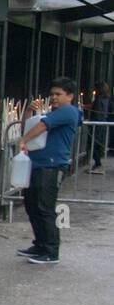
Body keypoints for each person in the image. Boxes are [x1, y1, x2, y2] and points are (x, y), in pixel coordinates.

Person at [18, 77, 82, 264]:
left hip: (52, 165)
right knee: (32, 205)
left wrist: (23, 140)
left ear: (69, 96)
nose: (53, 97)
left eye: (58, 94)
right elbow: (27, 126)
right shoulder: (53, 113)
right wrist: (30, 110)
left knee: (44, 207)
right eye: (52, 94)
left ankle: (51, 250)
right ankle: (40, 244)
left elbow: (41, 126)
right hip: (38, 163)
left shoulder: (68, 112)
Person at [86, 80, 110, 174]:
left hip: (96, 125)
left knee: (93, 144)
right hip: (102, 124)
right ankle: (97, 163)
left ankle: (98, 164)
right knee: (97, 145)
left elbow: (96, 111)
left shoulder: (99, 99)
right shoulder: (106, 99)